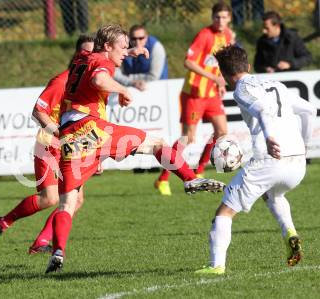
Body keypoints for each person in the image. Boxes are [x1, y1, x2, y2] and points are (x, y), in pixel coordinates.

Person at [45, 24, 225, 274]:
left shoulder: (84, 57)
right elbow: (99, 77)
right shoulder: (101, 62)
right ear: (107, 47)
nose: (125, 51)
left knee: (67, 203)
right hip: (91, 128)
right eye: (122, 46)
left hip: (68, 136)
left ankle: (58, 251)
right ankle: (189, 178)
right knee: (158, 143)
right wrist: (122, 89)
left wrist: (128, 52)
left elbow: (98, 62)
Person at [195, 45, 316, 275]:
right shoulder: (276, 85)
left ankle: (216, 265)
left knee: (225, 212)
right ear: (248, 66)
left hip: (270, 158)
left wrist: (270, 138)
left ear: (223, 73)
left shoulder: (242, 88)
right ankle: (290, 232)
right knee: (272, 193)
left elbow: (262, 111)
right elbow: (309, 111)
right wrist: (304, 145)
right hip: (297, 164)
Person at [0, 35, 95, 253]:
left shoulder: (88, 85)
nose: (89, 58)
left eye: (93, 54)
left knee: (76, 200)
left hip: (72, 148)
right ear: (76, 56)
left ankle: (41, 242)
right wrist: (60, 133)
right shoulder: (62, 81)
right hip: (49, 146)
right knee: (49, 198)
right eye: (85, 54)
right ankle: (1, 223)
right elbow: (38, 111)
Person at [155, 2, 233, 196]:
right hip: (194, 93)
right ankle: (163, 179)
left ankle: (199, 171)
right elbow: (188, 61)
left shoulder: (228, 35)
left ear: (229, 18)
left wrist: (220, 83)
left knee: (222, 132)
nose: (220, 20)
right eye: (217, 17)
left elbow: (221, 63)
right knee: (188, 138)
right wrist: (213, 78)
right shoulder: (205, 35)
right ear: (212, 17)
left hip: (212, 94)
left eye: (224, 17)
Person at [114, 24, 168, 91]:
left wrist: (129, 78)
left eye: (141, 38)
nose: (137, 42)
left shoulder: (156, 47)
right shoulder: (124, 45)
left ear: (146, 37)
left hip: (157, 87)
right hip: (131, 87)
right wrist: (130, 82)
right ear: (129, 38)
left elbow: (154, 76)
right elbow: (115, 72)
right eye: (134, 39)